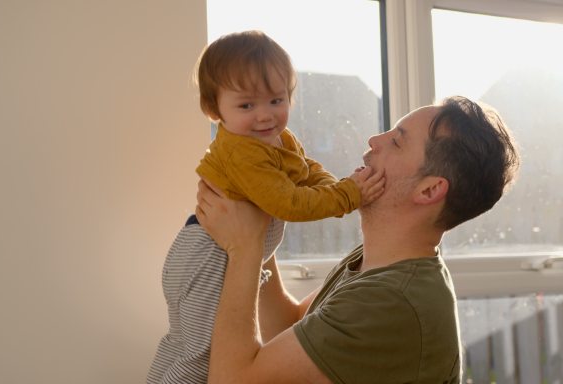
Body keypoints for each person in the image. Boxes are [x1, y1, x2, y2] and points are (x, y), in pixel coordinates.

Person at [196, 95, 520, 383]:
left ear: (430, 190)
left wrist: (244, 250)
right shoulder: (375, 264)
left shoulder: (393, 302)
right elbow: (289, 324)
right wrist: (260, 226)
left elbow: (231, 379)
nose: (374, 139)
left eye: (396, 141)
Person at [146, 30, 384, 384]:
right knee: (202, 354)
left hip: (215, 253)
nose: (265, 116)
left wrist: (335, 186)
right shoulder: (244, 151)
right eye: (246, 105)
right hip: (208, 256)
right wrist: (349, 194)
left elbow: (306, 171)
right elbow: (287, 202)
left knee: (185, 345)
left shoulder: (277, 139)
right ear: (214, 110)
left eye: (276, 100)